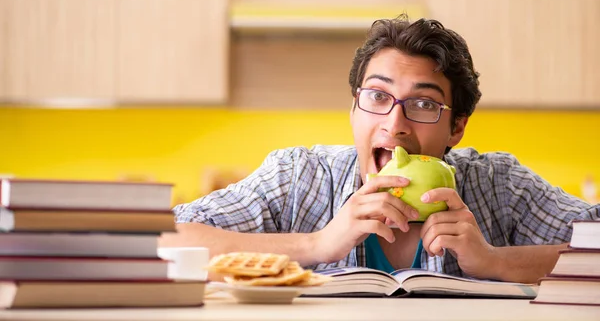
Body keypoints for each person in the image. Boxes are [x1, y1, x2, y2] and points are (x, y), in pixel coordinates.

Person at [162, 15, 600, 283]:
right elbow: (166, 237)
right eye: (377, 96)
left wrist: (494, 261)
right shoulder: (298, 176)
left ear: (457, 128)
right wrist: (317, 244)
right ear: (353, 110)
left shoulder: (500, 185)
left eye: (424, 104)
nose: (395, 124)